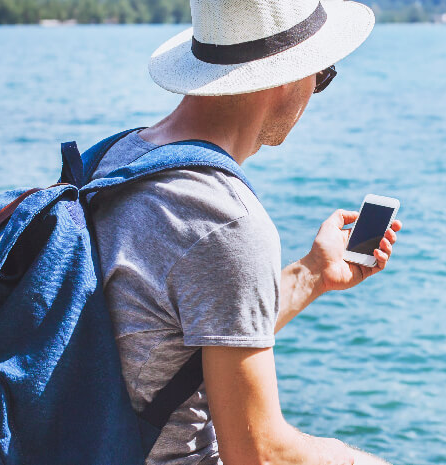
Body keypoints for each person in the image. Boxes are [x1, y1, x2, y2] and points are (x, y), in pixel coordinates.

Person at [88, 0, 399, 464]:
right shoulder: (226, 220)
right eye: (323, 75)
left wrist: (314, 273)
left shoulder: (114, 159)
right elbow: (258, 453)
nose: (315, 93)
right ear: (286, 79)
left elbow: (172, 335)